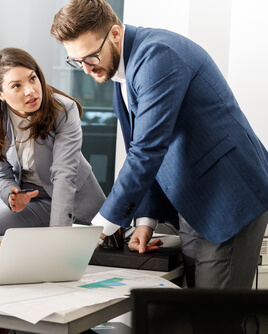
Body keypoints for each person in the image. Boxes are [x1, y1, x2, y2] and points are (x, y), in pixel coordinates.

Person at [50, 0, 268, 289]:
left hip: (228, 198)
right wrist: (146, 219)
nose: (86, 69)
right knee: (192, 315)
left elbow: (147, 150)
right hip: (193, 202)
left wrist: (100, 229)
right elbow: (149, 146)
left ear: (115, 34)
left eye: (90, 56)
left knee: (214, 322)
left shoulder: (157, 55)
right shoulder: (122, 67)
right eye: (76, 61)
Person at [0, 47, 105, 239]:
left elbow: (64, 174)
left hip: (65, 197)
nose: (31, 91)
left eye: (32, 78)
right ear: (0, 94)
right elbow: (0, 175)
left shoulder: (63, 109)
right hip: (25, 202)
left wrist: (57, 234)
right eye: (16, 86)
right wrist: (13, 196)